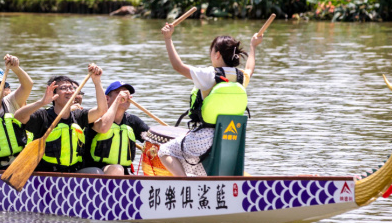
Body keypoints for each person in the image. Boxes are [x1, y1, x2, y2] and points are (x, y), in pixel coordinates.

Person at [158, 26, 263, 177]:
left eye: (211, 51)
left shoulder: (209, 75)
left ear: (218, 55)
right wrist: (253, 46)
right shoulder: (240, 77)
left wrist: (168, 39)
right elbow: (250, 68)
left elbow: (178, 66)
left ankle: (185, 184)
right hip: (231, 138)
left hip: (204, 138)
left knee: (165, 150)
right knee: (188, 156)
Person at [13, 64, 107, 174]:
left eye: (71, 88)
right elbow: (18, 116)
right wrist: (42, 102)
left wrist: (97, 81)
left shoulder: (78, 116)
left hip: (73, 173)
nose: (69, 91)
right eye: (63, 88)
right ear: (53, 94)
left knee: (96, 173)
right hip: (47, 175)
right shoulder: (43, 116)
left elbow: (102, 110)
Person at [78, 81, 151, 176]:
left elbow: (153, 137)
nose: (124, 95)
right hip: (93, 170)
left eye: (126, 93)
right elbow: (103, 128)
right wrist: (117, 100)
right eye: (118, 92)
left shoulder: (132, 121)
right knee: (116, 169)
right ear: (107, 99)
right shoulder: (96, 116)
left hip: (121, 172)